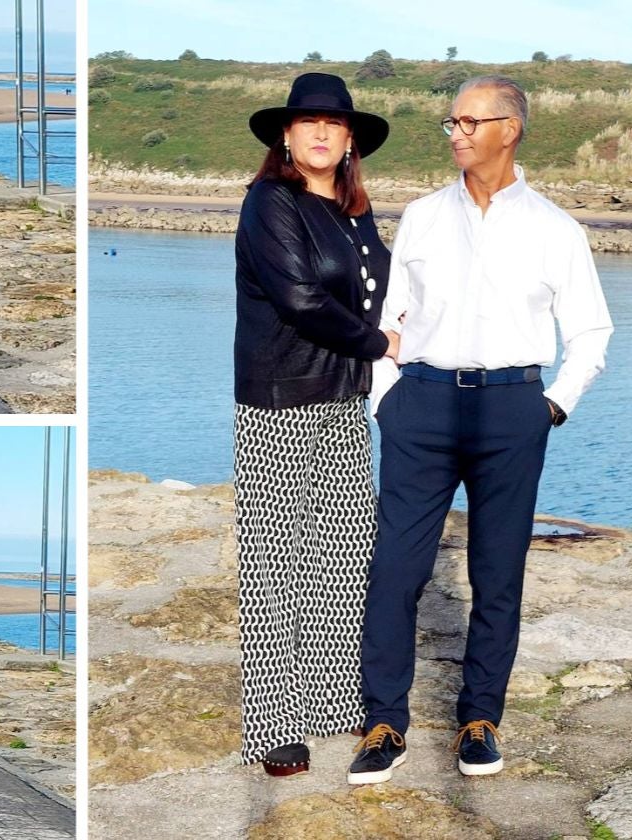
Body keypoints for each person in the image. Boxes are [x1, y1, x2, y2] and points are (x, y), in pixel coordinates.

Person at [349, 76, 614, 785]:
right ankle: (384, 723)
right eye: (452, 122)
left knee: (496, 573)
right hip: (422, 406)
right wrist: (386, 397)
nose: (458, 132)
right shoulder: (425, 217)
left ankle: (479, 721)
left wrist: (551, 406)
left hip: (511, 410)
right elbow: (389, 318)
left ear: (511, 129)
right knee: (393, 570)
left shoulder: (556, 229)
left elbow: (590, 332)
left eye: (472, 121)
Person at [234, 72, 399, 777]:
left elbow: (388, 288)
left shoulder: (357, 211)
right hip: (278, 398)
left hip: (342, 400)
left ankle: (332, 702)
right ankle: (274, 725)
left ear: (350, 137)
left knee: (341, 554)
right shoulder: (270, 202)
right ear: (286, 135)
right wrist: (379, 344)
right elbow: (301, 298)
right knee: (273, 563)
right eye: (309, 123)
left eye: (335, 123)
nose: (323, 132)